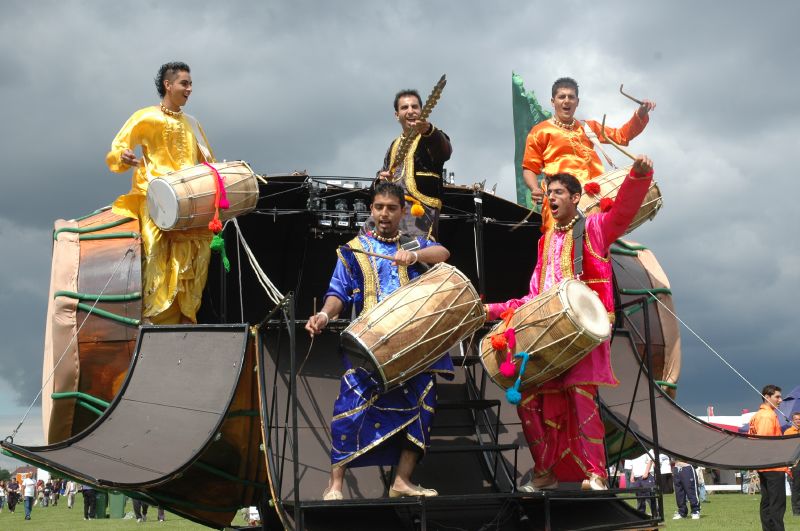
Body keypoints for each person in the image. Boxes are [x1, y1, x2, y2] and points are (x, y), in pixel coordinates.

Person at [485, 155, 656, 491]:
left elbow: (622, 213)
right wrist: (491, 310)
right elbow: (533, 297)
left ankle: (596, 474)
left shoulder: (594, 227)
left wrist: (639, 176)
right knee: (531, 399)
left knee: (580, 395)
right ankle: (545, 470)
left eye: (558, 192)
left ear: (576, 198)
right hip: (549, 331)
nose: (550, 197)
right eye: (549, 192)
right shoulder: (546, 242)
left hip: (585, 331)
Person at [305, 181, 453, 500]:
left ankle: (402, 481)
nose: (384, 214)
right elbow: (337, 294)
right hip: (369, 342)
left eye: (391, 208)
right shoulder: (353, 250)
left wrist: (413, 257)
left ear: (402, 212)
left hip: (410, 341)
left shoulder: (412, 243)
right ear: (371, 210)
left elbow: (442, 253)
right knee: (350, 405)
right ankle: (335, 486)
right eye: (378, 207)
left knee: (424, 401)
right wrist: (324, 316)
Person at [106, 61, 216, 325]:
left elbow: (207, 162)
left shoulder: (193, 124)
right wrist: (124, 156)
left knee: (200, 250)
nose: (189, 89)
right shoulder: (146, 116)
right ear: (168, 85)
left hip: (188, 198)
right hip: (155, 194)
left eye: (190, 84)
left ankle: (187, 316)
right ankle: (153, 318)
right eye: (184, 84)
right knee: (155, 249)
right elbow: (117, 148)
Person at [522, 77, 656, 232]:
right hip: (560, 198)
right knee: (561, 245)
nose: (566, 101)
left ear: (577, 102)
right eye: (562, 97)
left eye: (571, 97)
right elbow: (529, 168)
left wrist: (641, 113)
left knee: (599, 242)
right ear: (553, 101)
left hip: (593, 196)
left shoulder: (588, 128)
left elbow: (622, 136)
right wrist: (534, 188)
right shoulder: (540, 131)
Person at [373, 89, 453, 240]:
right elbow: (382, 176)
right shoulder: (394, 145)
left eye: (414, 107)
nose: (410, 111)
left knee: (414, 255)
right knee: (362, 245)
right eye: (404, 108)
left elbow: (445, 152)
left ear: (422, 111)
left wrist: (429, 130)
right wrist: (381, 180)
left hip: (419, 212)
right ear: (397, 115)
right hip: (391, 209)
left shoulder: (432, 136)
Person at [749, 384, 787, 531]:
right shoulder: (767, 416)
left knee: (767, 502)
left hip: (765, 465)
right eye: (777, 396)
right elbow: (765, 442)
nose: (780, 400)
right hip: (772, 464)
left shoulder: (758, 415)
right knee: (776, 505)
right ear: (767, 397)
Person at [784, 412, 800, 516]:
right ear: (792, 421)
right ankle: (797, 511)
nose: (798, 421)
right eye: (796, 419)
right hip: (795, 464)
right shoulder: (788, 432)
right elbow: (785, 449)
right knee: (796, 488)